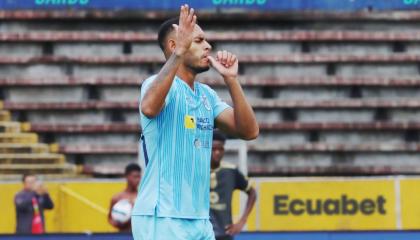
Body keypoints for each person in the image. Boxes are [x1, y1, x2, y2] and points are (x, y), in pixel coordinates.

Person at [132, 4, 259, 240]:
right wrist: (179, 53)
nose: (208, 46)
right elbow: (149, 108)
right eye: (198, 40)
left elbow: (249, 131)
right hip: (162, 217)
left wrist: (231, 80)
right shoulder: (154, 85)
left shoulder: (207, 95)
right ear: (174, 45)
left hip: (200, 220)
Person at [209, 131, 257, 240]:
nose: (217, 152)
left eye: (220, 149)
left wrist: (242, 221)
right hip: (201, 232)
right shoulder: (197, 170)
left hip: (224, 233)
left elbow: (252, 193)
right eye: (213, 149)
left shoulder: (231, 171)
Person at [108, 163, 142, 232]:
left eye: (139, 177)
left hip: (139, 235)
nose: (138, 180)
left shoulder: (141, 197)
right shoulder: (117, 198)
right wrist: (118, 223)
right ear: (127, 176)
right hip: (123, 235)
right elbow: (110, 218)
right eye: (135, 177)